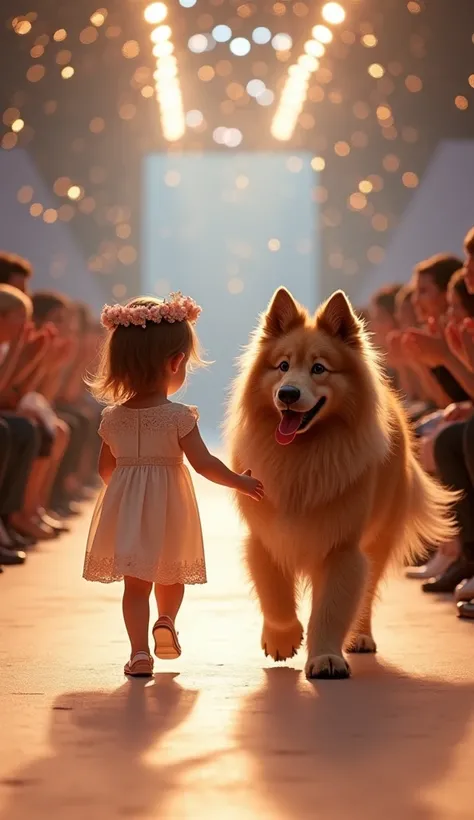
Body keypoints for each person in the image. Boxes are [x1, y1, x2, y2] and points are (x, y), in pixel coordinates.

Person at [83, 294, 264, 677]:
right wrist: (240, 482)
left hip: (128, 513)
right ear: (176, 362)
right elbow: (204, 464)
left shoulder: (111, 419)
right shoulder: (178, 417)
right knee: (172, 572)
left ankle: (138, 654)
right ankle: (166, 619)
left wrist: (126, 497)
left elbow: (105, 469)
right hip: (170, 508)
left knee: (135, 585)